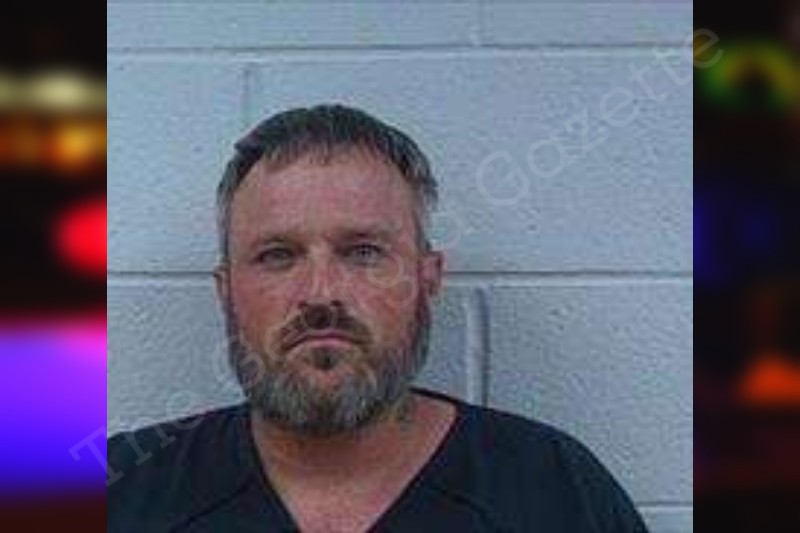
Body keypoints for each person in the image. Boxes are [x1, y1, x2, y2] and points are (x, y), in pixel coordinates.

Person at [107, 104, 648, 532]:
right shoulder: (122, 491)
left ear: (428, 278)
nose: (320, 294)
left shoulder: (554, 492)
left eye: (363, 252)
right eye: (277, 255)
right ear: (225, 290)